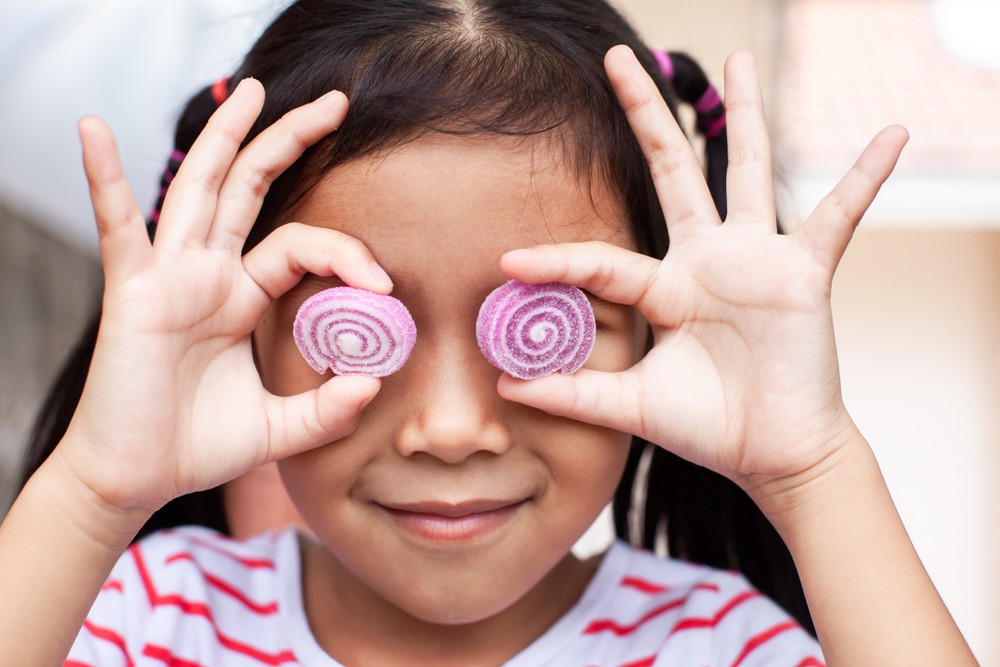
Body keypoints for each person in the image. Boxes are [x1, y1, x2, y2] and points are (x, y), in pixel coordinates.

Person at [0, 0, 978, 665]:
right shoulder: (145, 619)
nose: (451, 428)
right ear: (249, 338)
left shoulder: (719, 644)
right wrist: (93, 488)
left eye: (546, 326)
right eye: (356, 328)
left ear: (652, 335)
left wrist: (813, 469)